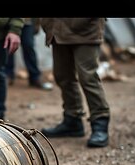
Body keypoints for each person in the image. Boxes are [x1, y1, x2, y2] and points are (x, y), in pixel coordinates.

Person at [40, 18, 110, 147]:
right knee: (63, 76)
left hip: (86, 30)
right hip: (58, 30)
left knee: (88, 78)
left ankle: (100, 122)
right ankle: (73, 120)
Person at [5, 18, 53, 90]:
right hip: (10, 22)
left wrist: (37, 23)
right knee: (9, 46)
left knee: (29, 46)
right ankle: (8, 75)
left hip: (27, 22)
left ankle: (35, 77)